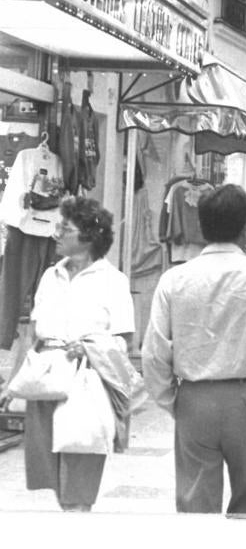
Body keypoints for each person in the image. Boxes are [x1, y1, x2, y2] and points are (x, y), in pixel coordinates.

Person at [144, 185, 246, 512]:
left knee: (195, 506)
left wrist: (171, 401)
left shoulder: (174, 279)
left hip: (195, 398)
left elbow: (153, 354)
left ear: (201, 226)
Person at [11, 197, 133, 512]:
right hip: (45, 384)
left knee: (79, 482)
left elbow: (124, 343)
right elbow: (35, 332)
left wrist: (90, 347)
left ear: (89, 236)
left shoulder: (113, 281)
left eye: (66, 228)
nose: (57, 234)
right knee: (53, 480)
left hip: (86, 385)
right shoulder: (50, 276)